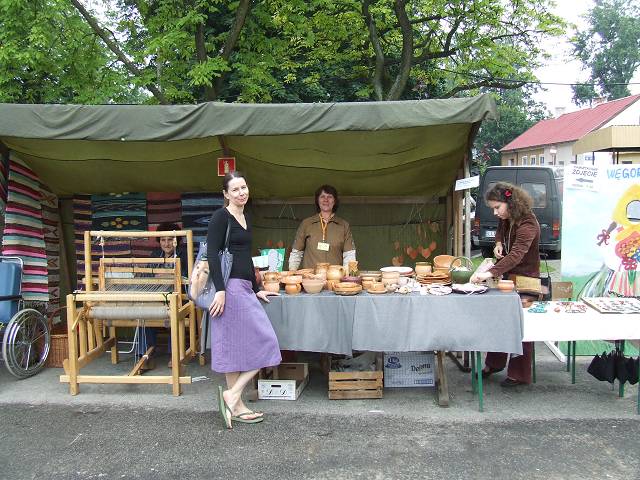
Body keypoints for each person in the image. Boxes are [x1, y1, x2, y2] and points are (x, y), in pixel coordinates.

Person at [207, 171, 281, 428]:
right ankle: (233, 395)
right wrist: (220, 290)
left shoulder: (245, 217)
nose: (241, 193)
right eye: (235, 189)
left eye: (244, 187)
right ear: (226, 194)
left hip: (244, 287)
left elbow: (245, 255)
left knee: (234, 346)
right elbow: (213, 254)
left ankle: (235, 404)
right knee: (267, 342)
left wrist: (257, 286)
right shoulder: (221, 217)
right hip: (230, 289)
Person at [470, 182, 541, 387]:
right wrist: (499, 243)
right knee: (499, 320)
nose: (495, 212)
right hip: (509, 277)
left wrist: (489, 273)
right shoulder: (508, 216)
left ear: (511, 203)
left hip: (527, 279)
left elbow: (517, 255)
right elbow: (501, 228)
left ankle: (519, 374)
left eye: (497, 207)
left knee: (521, 325)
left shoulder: (528, 224)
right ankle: (494, 363)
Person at [135, 222, 188, 371]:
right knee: (144, 312)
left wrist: (166, 275)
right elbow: (147, 275)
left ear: (176, 241)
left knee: (173, 312)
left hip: (178, 297)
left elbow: (187, 275)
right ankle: (145, 355)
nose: (166, 243)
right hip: (157, 296)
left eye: (170, 239)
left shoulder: (184, 254)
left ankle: (174, 354)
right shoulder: (155, 255)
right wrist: (156, 276)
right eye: (163, 240)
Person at [288, 184, 356, 271]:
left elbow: (349, 255)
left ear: (334, 201)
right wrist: (292, 273)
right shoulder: (306, 224)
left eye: (330, 197)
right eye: (322, 196)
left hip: (334, 277)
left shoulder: (343, 225)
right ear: (317, 200)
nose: (326, 200)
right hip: (310, 277)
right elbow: (296, 252)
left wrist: (347, 276)